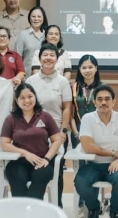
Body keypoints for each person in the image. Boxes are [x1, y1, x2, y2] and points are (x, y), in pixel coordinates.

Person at [75, 84, 118, 218]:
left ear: (114, 102)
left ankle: (115, 211)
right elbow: (88, 147)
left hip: (115, 164)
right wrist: (114, 153)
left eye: (107, 99)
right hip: (92, 164)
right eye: (100, 99)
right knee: (80, 182)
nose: (103, 102)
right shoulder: (87, 119)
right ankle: (94, 208)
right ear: (94, 102)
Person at [25, 43, 72, 208]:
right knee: (36, 170)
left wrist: (63, 130)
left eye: (52, 55)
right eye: (45, 55)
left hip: (57, 133)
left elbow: (67, 108)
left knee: (57, 173)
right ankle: (33, 206)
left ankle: (56, 207)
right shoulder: (31, 80)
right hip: (33, 133)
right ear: (39, 58)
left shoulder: (63, 82)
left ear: (57, 59)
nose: (48, 58)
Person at [0, 83, 62, 199]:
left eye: (30, 96)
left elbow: (57, 140)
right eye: (22, 98)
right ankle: (22, 211)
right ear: (17, 100)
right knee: (16, 178)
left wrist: (47, 159)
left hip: (42, 161)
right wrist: (26, 154)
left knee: (41, 176)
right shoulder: (11, 119)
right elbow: (4, 144)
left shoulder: (45, 116)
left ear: (35, 97)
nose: (27, 100)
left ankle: (32, 211)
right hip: (18, 161)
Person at [71, 55, 103, 149]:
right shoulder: (73, 87)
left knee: (98, 159)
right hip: (78, 130)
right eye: (84, 68)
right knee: (79, 160)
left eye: (90, 67)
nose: (87, 70)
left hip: (99, 130)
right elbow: (70, 113)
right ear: (79, 69)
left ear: (96, 68)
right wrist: (76, 132)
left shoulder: (103, 87)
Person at [15, 6, 48, 76]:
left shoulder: (47, 35)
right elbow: (17, 58)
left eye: (39, 16)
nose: (36, 19)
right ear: (29, 18)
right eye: (33, 16)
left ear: (43, 18)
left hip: (46, 77)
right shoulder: (23, 35)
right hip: (28, 77)